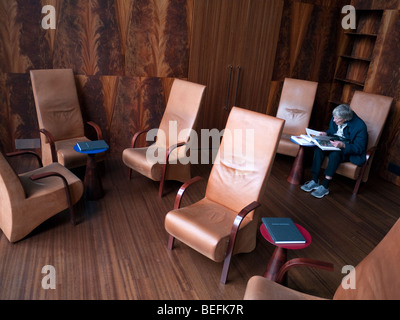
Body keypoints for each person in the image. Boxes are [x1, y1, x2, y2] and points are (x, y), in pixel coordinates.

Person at [301, 104, 368, 198]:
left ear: (346, 119)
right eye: (334, 117)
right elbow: (332, 131)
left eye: (337, 118)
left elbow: (359, 148)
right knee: (318, 149)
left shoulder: (360, 126)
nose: (334, 120)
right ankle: (314, 180)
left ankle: (325, 186)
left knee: (335, 154)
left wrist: (343, 145)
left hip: (347, 148)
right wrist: (326, 133)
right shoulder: (336, 117)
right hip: (333, 142)